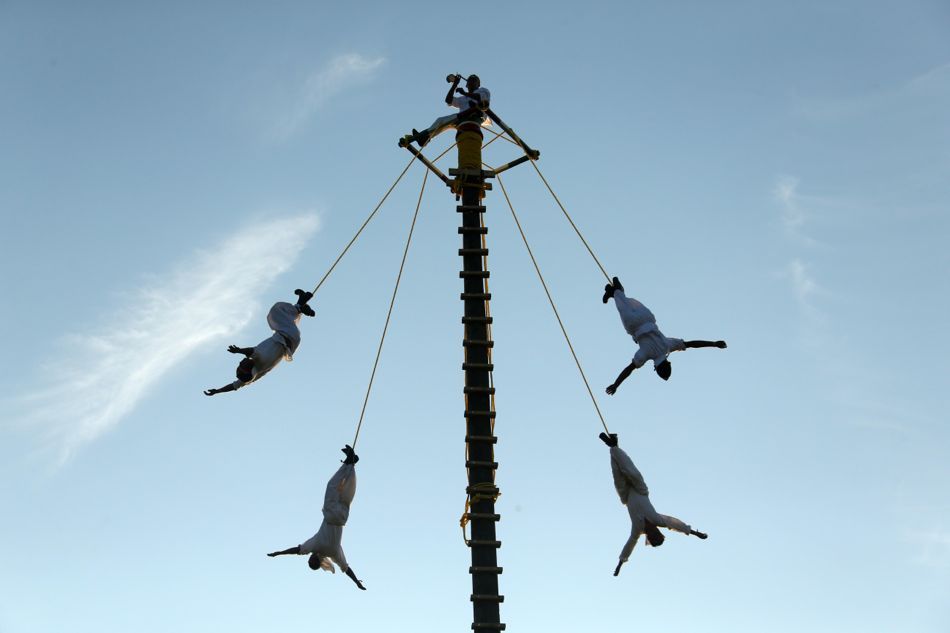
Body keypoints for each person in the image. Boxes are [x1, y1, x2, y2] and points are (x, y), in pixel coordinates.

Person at [599, 432, 707, 576]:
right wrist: (695, 533)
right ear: (658, 532)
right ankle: (614, 445)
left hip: (626, 495)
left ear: (649, 537)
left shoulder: (637, 529)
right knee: (630, 471)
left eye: (652, 536)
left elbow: (629, 546)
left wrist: (620, 564)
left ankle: (613, 446)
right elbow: (676, 524)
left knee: (618, 474)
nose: (653, 533)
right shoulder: (658, 521)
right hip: (640, 489)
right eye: (656, 534)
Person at [603, 276, 726, 393]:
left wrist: (714, 343)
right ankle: (615, 290)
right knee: (622, 304)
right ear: (656, 367)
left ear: (668, 362)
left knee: (625, 302)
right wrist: (615, 385)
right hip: (633, 324)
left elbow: (692, 344)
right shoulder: (645, 355)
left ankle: (612, 292)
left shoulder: (668, 346)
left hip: (647, 317)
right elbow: (629, 369)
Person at [267, 445, 367, 590]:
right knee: (332, 486)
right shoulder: (315, 546)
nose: (309, 557)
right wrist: (279, 553)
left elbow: (346, 569)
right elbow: (297, 550)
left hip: (342, 518)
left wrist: (356, 581)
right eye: (311, 560)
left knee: (346, 493)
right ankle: (349, 463)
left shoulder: (334, 554)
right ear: (316, 560)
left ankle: (351, 464)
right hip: (331, 514)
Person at [203, 289, 315, 396]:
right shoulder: (258, 359)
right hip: (286, 334)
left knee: (285, 317)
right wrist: (238, 350)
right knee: (275, 313)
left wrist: (217, 391)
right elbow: (250, 351)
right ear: (248, 369)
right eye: (242, 364)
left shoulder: (256, 373)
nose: (241, 362)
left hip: (290, 339)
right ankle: (299, 307)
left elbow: (234, 386)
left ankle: (300, 304)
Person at [399, 74, 490, 148]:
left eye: (474, 80)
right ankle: (424, 138)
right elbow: (448, 100)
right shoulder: (463, 98)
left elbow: (480, 98)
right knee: (440, 121)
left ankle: (420, 138)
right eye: (469, 80)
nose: (471, 81)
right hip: (463, 119)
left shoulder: (483, 90)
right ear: (466, 85)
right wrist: (454, 85)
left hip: (476, 116)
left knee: (445, 120)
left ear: (478, 84)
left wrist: (464, 93)